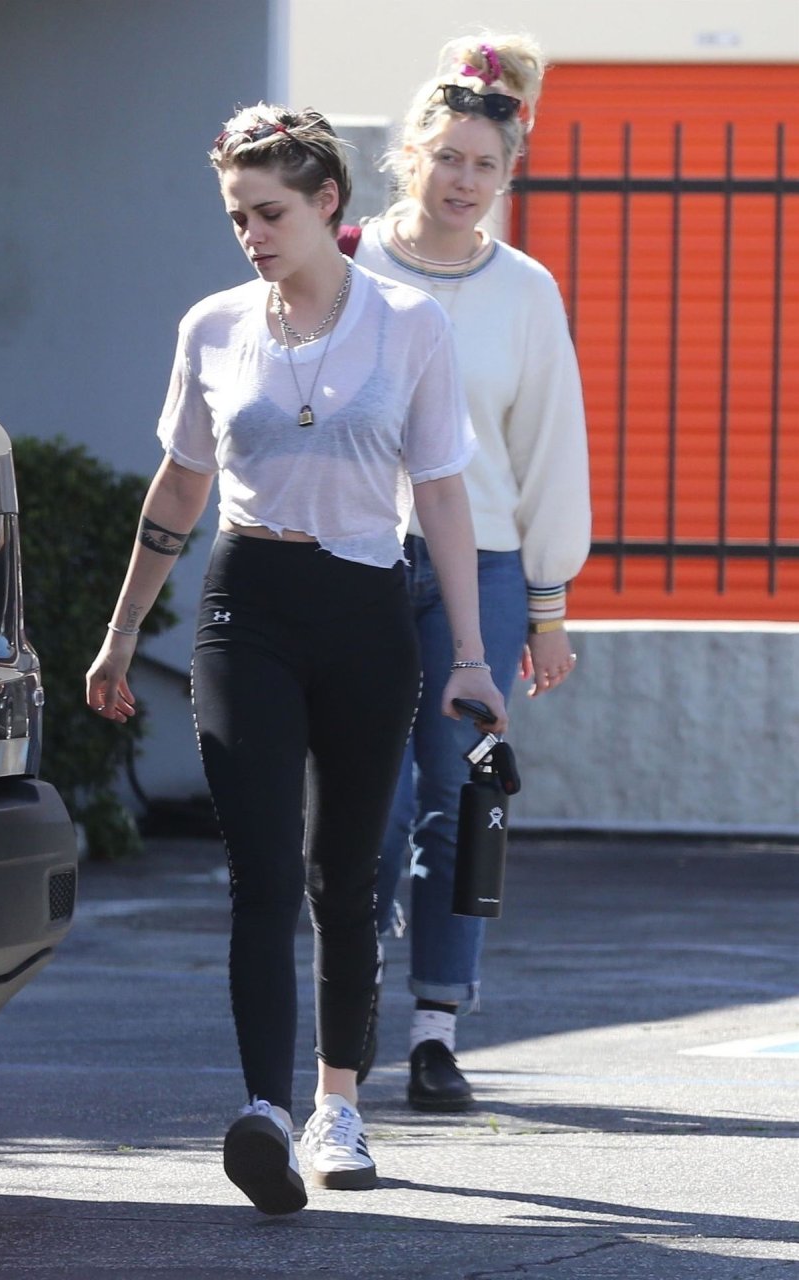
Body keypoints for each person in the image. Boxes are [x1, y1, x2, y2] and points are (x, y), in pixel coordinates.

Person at [84, 102, 507, 1216]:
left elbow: (442, 494)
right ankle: (265, 1112)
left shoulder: (409, 323)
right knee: (264, 870)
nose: (251, 234)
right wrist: (122, 632)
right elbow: (182, 483)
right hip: (247, 606)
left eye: (269, 212)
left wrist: (470, 655)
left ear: (327, 202)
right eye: (236, 216)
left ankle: (337, 1105)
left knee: (345, 873)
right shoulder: (213, 326)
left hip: (367, 607)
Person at [346, 32, 591, 1111]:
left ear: (507, 174)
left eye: (485, 164)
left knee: (460, 796)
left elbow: (549, 448)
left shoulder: (526, 291)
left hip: (483, 570)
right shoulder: (347, 262)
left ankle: (436, 1027)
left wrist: (547, 607)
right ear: (411, 154)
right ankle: (346, 1014)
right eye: (447, 157)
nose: (463, 180)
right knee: (371, 804)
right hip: (355, 558)